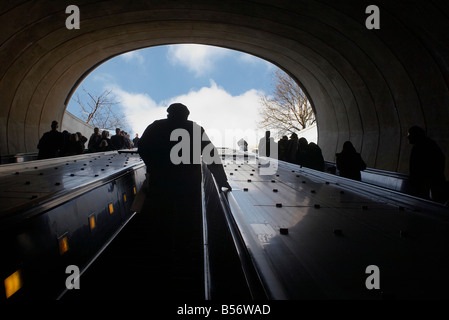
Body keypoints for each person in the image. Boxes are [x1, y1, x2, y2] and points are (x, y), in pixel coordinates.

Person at [137, 103, 231, 298]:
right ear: (187, 115)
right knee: (186, 220)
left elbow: (143, 147)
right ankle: (184, 260)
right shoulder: (194, 128)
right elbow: (210, 154)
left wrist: (152, 166)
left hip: (161, 182)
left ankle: (158, 260)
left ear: (168, 114)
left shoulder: (156, 126)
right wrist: (222, 180)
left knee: (160, 218)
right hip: (188, 183)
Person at [407, 125, 447, 202]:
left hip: (427, 182)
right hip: (431, 181)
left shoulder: (420, 147)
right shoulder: (429, 144)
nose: (408, 137)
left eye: (409, 135)